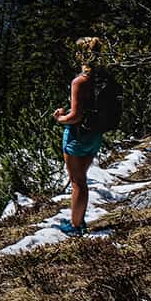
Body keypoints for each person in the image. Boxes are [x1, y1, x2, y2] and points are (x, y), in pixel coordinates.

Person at [53, 37, 105, 236]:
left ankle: (76, 226)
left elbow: (75, 116)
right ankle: (79, 219)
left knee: (77, 182)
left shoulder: (79, 81)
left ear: (80, 55)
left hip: (77, 136)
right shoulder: (103, 77)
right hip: (95, 134)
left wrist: (59, 118)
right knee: (82, 180)